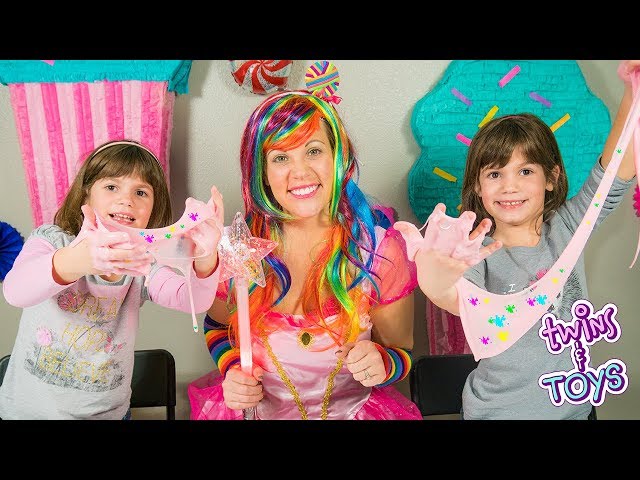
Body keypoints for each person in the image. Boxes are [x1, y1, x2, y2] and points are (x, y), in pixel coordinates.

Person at [412, 61, 639, 419]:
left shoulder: (568, 228)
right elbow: (455, 300)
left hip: (577, 411)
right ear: (477, 185)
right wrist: (434, 275)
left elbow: (615, 172)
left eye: (526, 171)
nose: (510, 186)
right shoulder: (475, 251)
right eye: (495, 173)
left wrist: (634, 91)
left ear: (551, 177)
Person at [188, 90, 422, 420]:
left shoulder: (379, 250)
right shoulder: (238, 248)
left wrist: (384, 363)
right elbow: (216, 325)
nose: (299, 173)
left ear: (337, 157)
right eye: (281, 157)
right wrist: (231, 371)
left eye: (313, 151)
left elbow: (403, 353)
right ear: (262, 173)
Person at [0, 140, 224, 420]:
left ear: (153, 210)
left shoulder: (144, 261)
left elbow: (193, 299)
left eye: (141, 192)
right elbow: (15, 291)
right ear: (86, 196)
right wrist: (80, 260)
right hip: (27, 414)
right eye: (111, 187)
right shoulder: (52, 240)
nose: (126, 200)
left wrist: (205, 257)